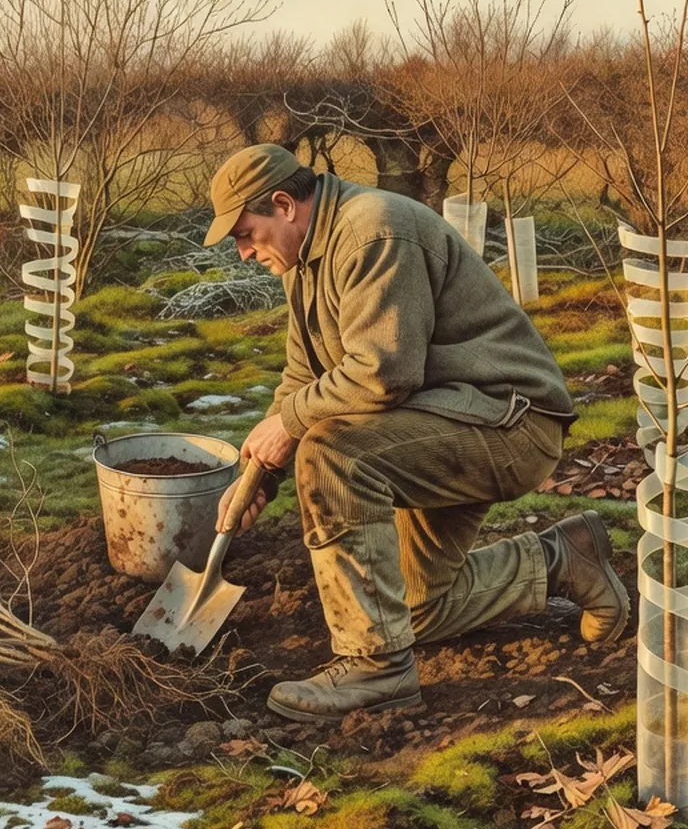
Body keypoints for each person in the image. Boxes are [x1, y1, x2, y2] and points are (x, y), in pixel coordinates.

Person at [205, 144, 628, 722]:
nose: (244, 251)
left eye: (246, 234)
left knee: (333, 455)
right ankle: (562, 559)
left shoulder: (374, 232)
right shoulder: (305, 259)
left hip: (507, 422)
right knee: (406, 610)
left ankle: (374, 669)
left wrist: (291, 426)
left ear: (284, 204)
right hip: (442, 421)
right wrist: (262, 475)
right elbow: (306, 376)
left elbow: (384, 372)